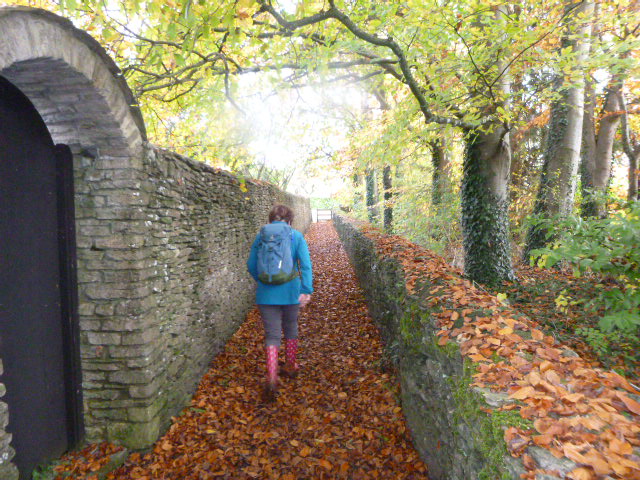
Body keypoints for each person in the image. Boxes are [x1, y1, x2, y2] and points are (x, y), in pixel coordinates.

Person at [247, 204, 313, 401]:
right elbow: (306, 265)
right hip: (291, 291)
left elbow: (251, 264)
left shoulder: (261, 237)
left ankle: (272, 378)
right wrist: (306, 290)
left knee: (272, 335)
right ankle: (291, 366)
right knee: (291, 327)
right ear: (290, 221)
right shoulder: (296, 236)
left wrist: (263, 281)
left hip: (266, 295)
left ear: (270, 221)